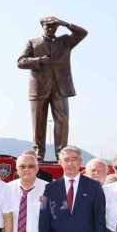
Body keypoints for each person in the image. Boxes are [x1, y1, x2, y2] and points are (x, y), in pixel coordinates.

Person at [17, 17, 88, 160]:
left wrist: (66, 23)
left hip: (60, 87)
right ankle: (39, 153)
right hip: (38, 88)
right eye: (47, 26)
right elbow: (20, 62)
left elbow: (83, 33)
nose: (50, 28)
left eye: (54, 26)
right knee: (38, 122)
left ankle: (62, 154)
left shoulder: (65, 41)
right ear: (42, 26)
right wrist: (38, 61)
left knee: (62, 121)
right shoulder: (32, 42)